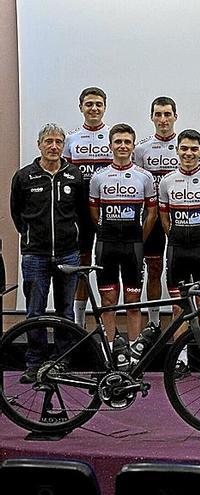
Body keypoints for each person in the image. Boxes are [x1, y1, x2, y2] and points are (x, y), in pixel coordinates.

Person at [10, 123, 90, 383]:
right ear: (39, 145)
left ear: (63, 145)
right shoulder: (24, 177)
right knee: (35, 312)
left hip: (68, 254)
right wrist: (32, 238)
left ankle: (61, 361)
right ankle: (34, 363)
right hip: (35, 255)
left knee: (66, 311)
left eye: (58, 142)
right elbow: (17, 215)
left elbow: (82, 214)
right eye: (49, 142)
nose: (54, 146)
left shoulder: (74, 176)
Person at [158, 129, 200, 375]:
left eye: (194, 149)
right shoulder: (167, 181)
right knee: (179, 307)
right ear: (177, 150)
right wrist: (178, 237)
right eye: (184, 149)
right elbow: (165, 219)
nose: (189, 153)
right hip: (177, 249)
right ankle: (182, 359)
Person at [89, 123, 157, 360]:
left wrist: (139, 236)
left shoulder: (144, 177)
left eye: (127, 142)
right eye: (118, 142)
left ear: (133, 145)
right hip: (107, 244)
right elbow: (94, 212)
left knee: (132, 300)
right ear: (111, 145)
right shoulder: (98, 177)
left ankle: (133, 353)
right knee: (108, 300)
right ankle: (110, 352)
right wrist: (106, 230)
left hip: (133, 245)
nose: (122, 146)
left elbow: (151, 213)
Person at [63, 87, 112, 327]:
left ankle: (107, 324)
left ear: (105, 107)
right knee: (81, 265)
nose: (94, 108)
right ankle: (78, 323)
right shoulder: (71, 139)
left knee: (107, 267)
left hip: (108, 210)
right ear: (81, 107)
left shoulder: (114, 137)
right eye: (89, 104)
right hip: (79, 211)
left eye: (98, 104)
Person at [133, 96, 179, 327]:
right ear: (152, 117)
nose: (163, 119)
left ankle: (182, 322)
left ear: (175, 117)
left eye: (167, 114)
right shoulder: (141, 149)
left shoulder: (184, 146)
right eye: (158, 114)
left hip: (179, 216)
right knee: (154, 268)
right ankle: (153, 323)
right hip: (151, 215)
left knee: (179, 272)